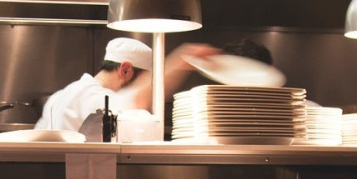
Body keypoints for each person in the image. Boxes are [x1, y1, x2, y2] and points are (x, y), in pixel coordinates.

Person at [34, 37, 219, 133]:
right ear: (125, 70)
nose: (147, 89)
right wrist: (183, 59)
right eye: (145, 81)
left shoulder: (58, 97)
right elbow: (135, 100)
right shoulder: (92, 97)